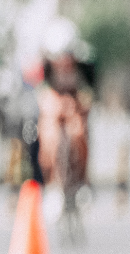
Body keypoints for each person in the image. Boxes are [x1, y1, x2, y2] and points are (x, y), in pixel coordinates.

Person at [36, 17, 95, 197]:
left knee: (78, 132)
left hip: (74, 101)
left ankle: (82, 180)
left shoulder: (85, 65)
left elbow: (89, 92)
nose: (63, 63)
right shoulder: (45, 65)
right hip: (54, 102)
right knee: (49, 136)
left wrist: (79, 105)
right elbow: (42, 92)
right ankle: (51, 181)